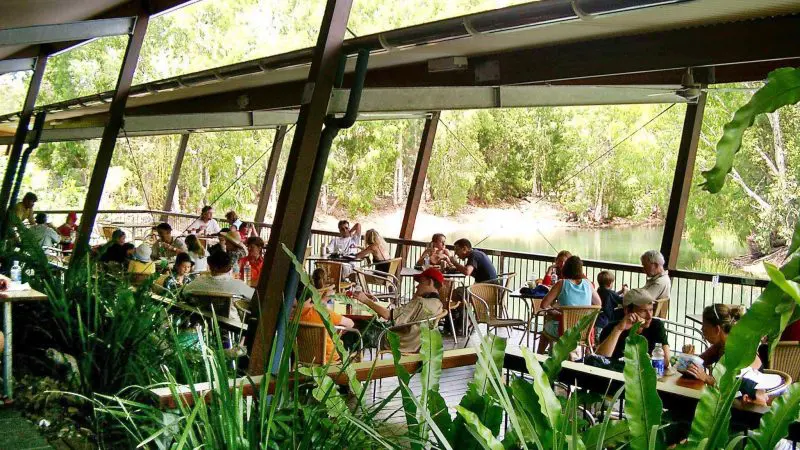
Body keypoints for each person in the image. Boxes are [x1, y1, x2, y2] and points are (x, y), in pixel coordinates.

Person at [352, 267, 444, 353]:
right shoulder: (438, 304)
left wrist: (365, 300)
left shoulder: (420, 302)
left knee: (353, 330)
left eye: (420, 283)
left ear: (430, 282)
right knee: (364, 322)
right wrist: (416, 296)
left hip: (397, 341)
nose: (417, 286)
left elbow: (387, 315)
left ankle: (349, 365)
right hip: (416, 344)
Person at [538, 255, 601, 353]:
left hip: (565, 332)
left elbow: (544, 305)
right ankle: (586, 359)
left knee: (545, 330)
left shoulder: (561, 283)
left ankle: (539, 357)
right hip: (584, 331)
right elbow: (598, 304)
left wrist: (555, 312)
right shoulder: (588, 283)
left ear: (565, 268)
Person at [596, 288, 671, 368]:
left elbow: (666, 362)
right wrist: (618, 330)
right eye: (643, 311)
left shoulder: (656, 326)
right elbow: (600, 360)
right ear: (628, 311)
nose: (649, 316)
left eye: (651, 310)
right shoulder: (612, 328)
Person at [296, 268, 356, 363]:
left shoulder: (290, 316)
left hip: (302, 359)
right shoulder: (323, 313)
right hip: (331, 360)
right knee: (353, 336)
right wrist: (335, 330)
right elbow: (350, 324)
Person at [183, 250, 255, 300]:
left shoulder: (198, 281)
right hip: (231, 321)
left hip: (203, 319)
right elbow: (256, 298)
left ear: (210, 266)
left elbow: (184, 292)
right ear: (229, 268)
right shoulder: (238, 285)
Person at [596, 270, 624, 338]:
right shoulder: (609, 293)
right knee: (624, 311)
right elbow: (622, 301)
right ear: (609, 284)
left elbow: (613, 296)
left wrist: (621, 291)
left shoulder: (599, 290)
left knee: (598, 335)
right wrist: (625, 292)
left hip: (599, 317)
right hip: (607, 318)